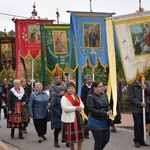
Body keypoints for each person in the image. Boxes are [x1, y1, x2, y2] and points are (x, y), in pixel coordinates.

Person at [87, 80, 112, 150]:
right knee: (98, 141)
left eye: (102, 86)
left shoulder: (104, 95)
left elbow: (108, 104)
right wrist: (104, 113)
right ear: (94, 88)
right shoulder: (90, 97)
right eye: (99, 87)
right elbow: (91, 109)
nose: (102, 88)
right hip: (95, 122)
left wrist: (109, 110)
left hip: (105, 121)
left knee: (106, 140)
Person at [128, 73, 150, 148]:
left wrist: (146, 88)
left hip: (145, 108)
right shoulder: (131, 84)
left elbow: (149, 93)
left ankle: (142, 140)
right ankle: (136, 140)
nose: (141, 76)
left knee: (144, 124)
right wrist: (139, 103)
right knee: (138, 124)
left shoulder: (145, 83)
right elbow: (130, 97)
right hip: (136, 108)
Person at [61, 81, 85, 150]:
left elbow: (82, 105)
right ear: (67, 89)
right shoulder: (64, 98)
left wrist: (81, 107)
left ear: (74, 89)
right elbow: (65, 108)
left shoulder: (77, 97)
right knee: (70, 139)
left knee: (80, 137)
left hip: (78, 118)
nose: (70, 89)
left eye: (72, 88)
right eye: (69, 88)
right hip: (69, 119)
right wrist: (75, 108)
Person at [81, 74, 92, 139]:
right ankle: (85, 133)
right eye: (87, 80)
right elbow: (82, 97)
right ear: (85, 81)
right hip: (87, 106)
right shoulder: (83, 87)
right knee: (87, 119)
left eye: (90, 79)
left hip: (93, 105)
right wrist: (88, 101)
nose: (89, 81)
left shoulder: (93, 86)